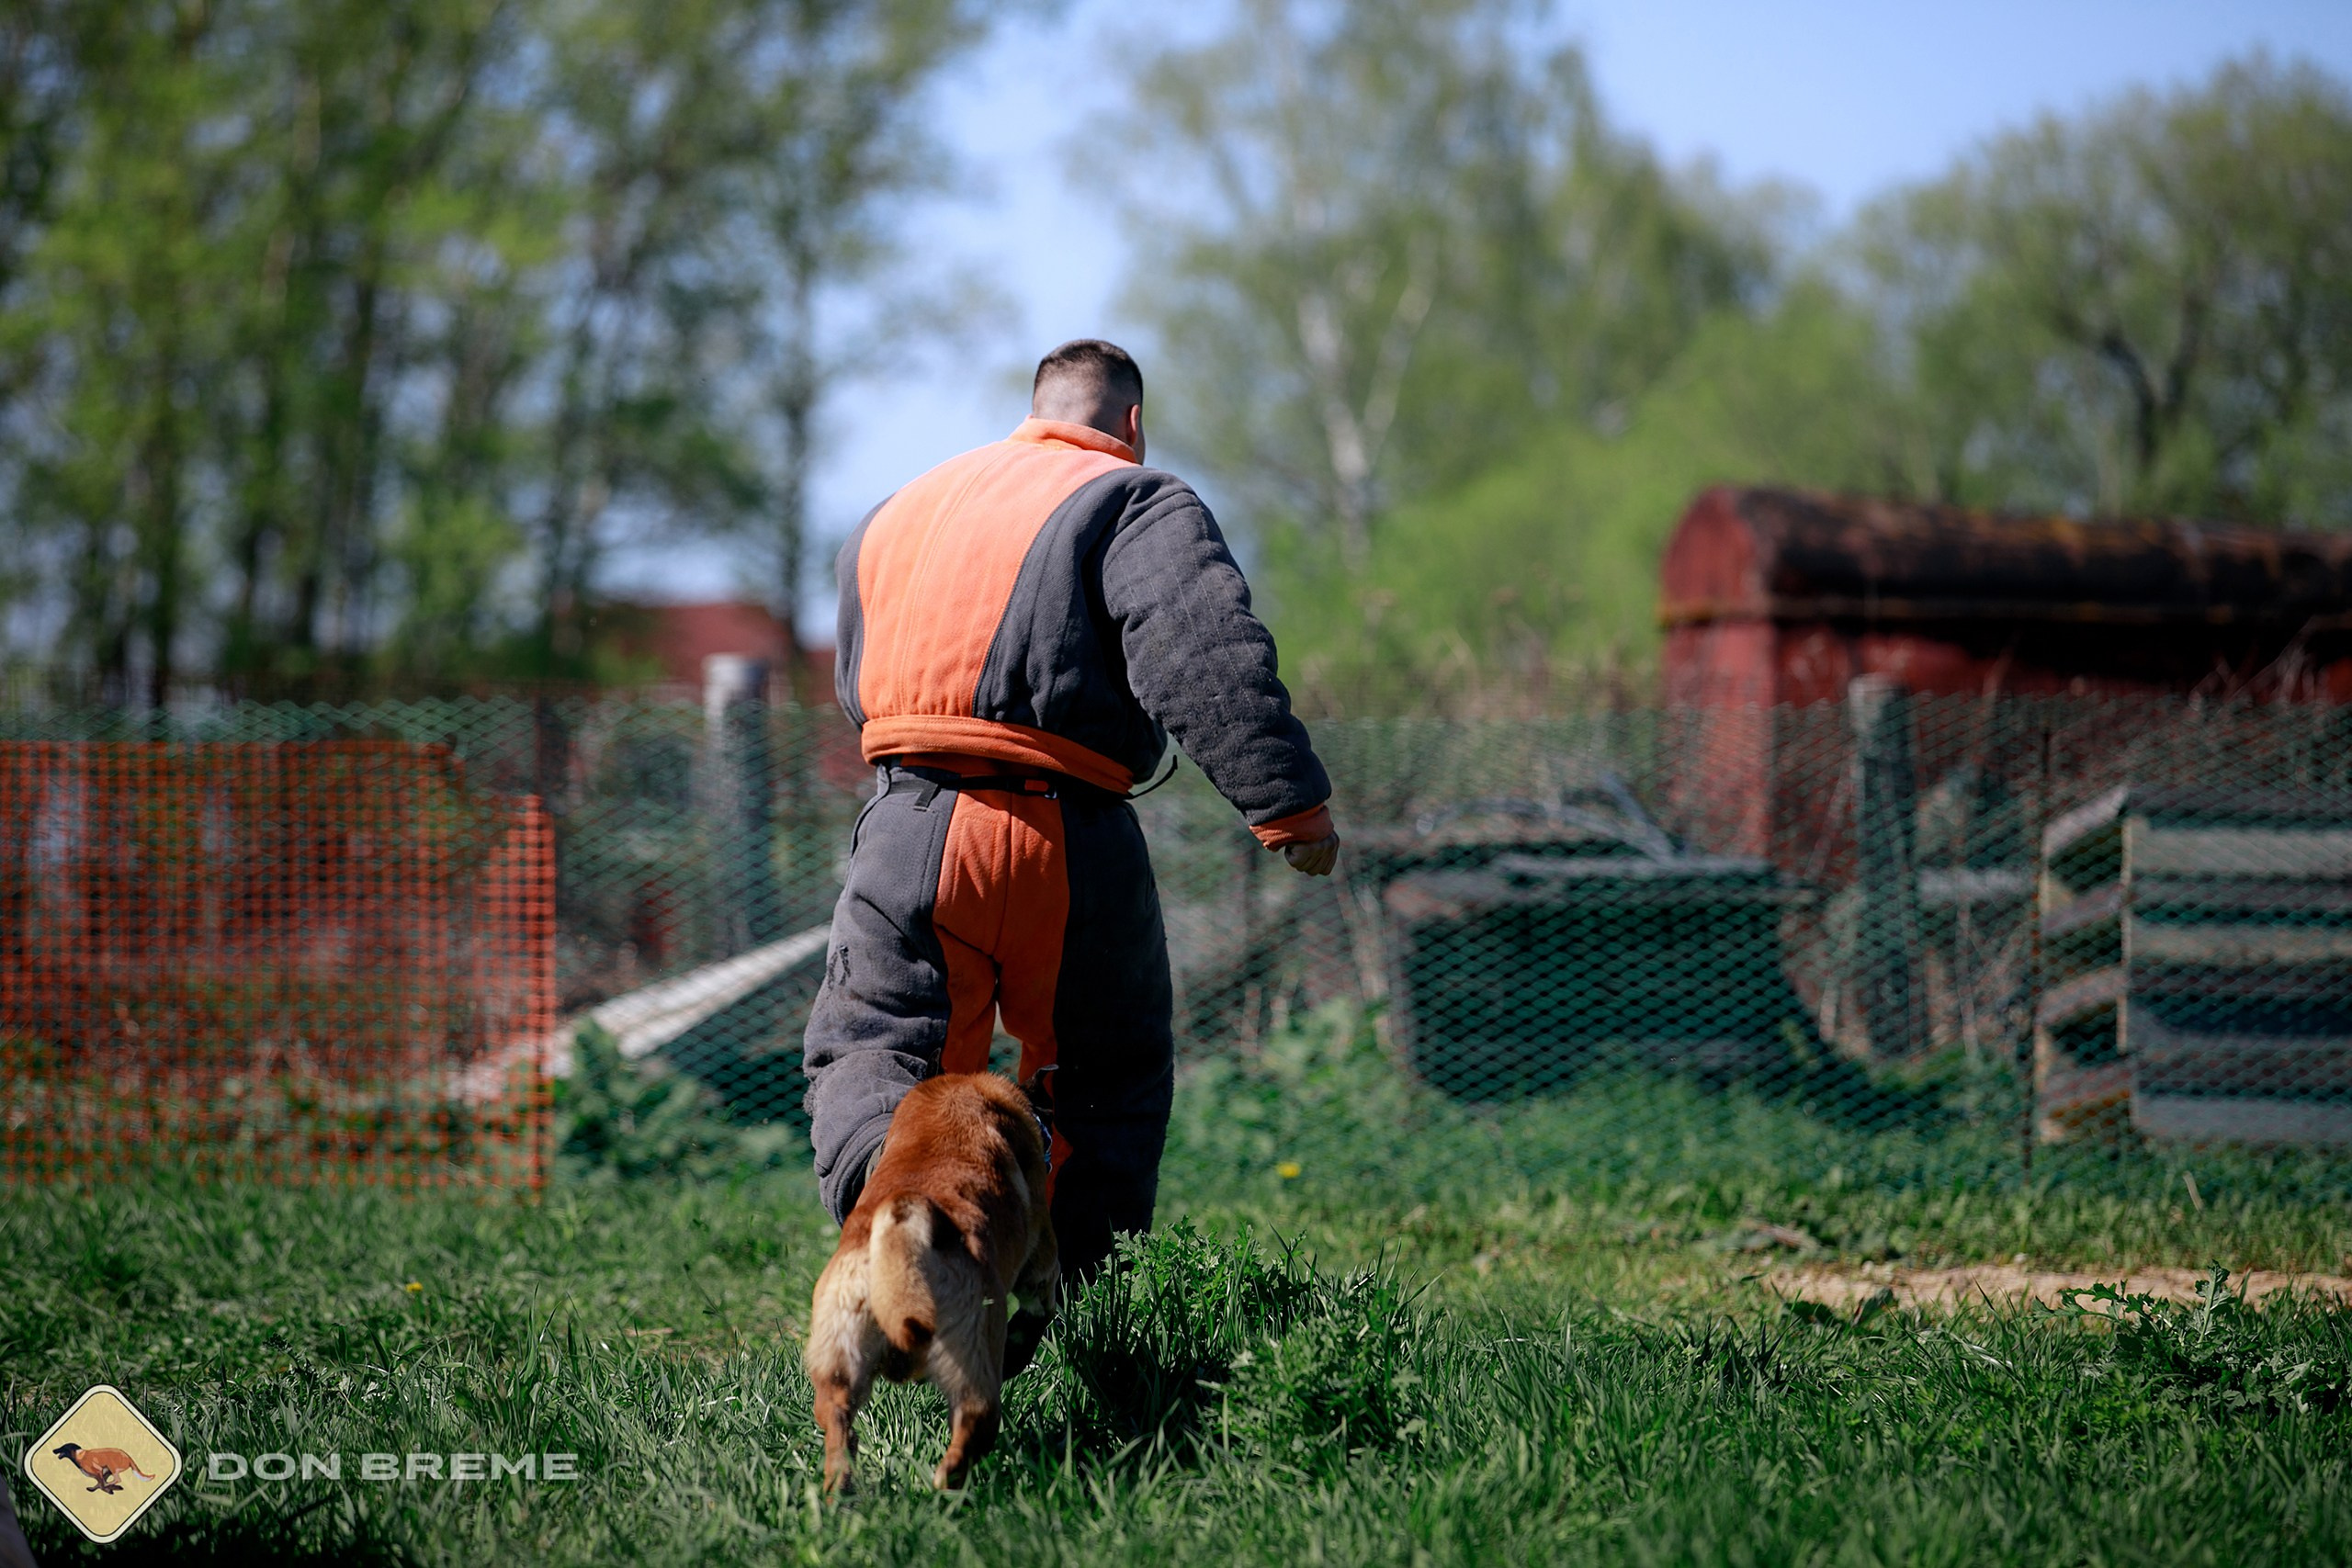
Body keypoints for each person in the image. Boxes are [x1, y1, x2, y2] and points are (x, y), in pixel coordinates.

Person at [802, 339, 1339, 1281]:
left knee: (875, 1053)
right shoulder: (1128, 495)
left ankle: (895, 1250)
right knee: (1101, 1084)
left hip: (901, 825)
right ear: (1130, 423)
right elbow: (1198, 644)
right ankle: (1072, 1306)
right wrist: (1286, 803)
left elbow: (857, 679)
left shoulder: (898, 508)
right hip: (1060, 829)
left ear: (1033, 406)